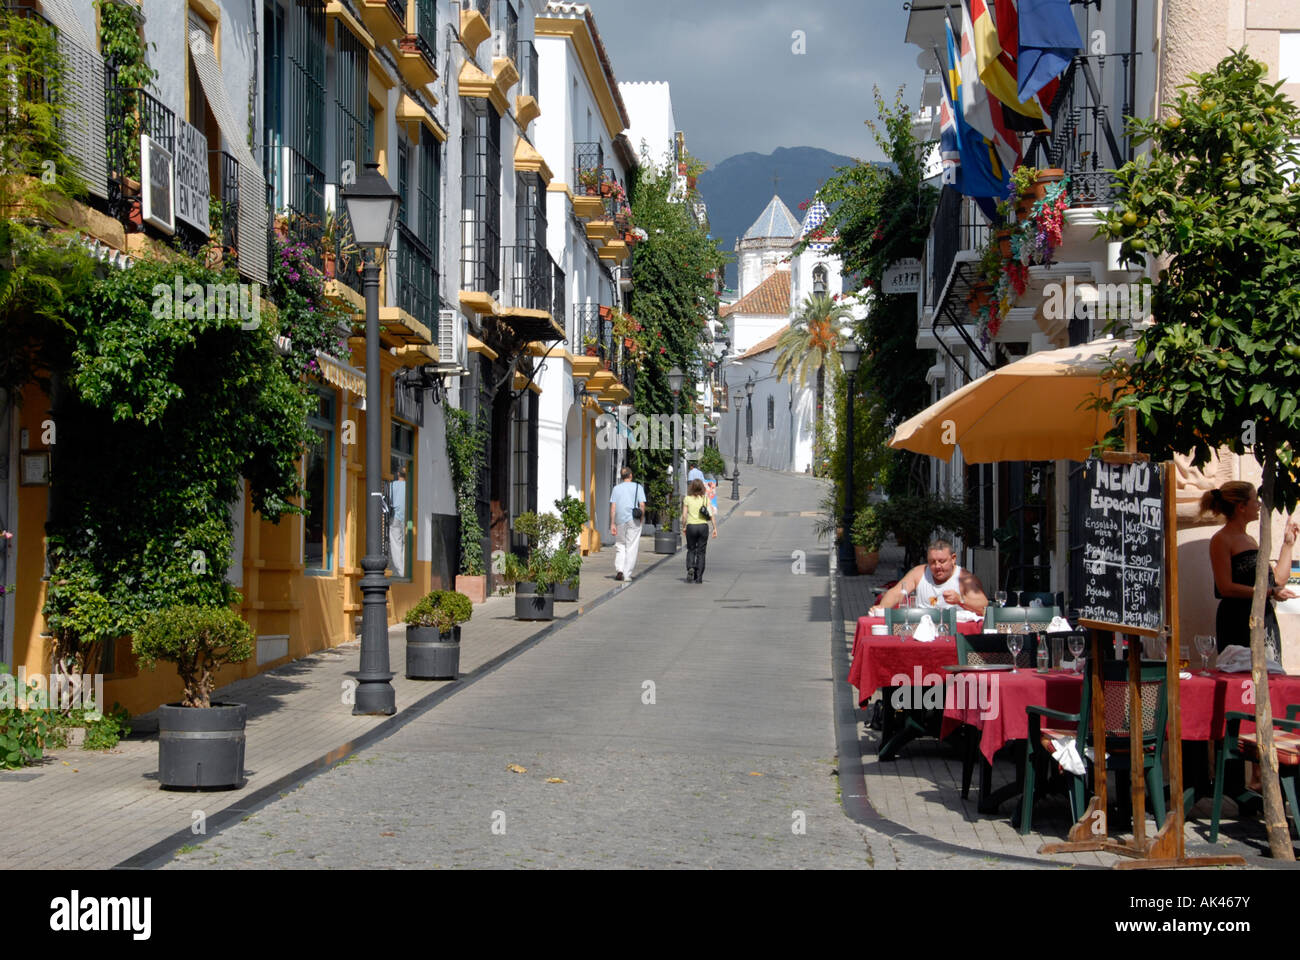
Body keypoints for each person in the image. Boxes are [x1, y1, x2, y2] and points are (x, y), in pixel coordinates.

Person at [1202, 481, 1298, 659]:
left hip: (1263, 616)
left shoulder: (1250, 539)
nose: (1259, 504)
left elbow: (1277, 580)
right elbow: (1225, 587)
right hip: (1238, 619)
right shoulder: (1221, 539)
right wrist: (1268, 592)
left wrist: (1288, 544)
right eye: (1255, 500)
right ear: (1241, 507)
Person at [870, 539, 988, 621]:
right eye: (932, 562)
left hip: (954, 634)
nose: (937, 566)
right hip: (922, 629)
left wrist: (960, 600)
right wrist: (882, 608)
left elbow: (984, 607)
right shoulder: (919, 573)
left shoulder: (964, 578)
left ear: (953, 559)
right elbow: (897, 593)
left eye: (942, 561)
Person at [608, 466, 647, 582]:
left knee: (620, 544)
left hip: (620, 519)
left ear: (622, 476)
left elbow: (613, 507)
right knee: (632, 546)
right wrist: (642, 518)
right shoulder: (638, 487)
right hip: (633, 519)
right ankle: (627, 574)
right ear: (631, 475)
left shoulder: (616, 488)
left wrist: (612, 523)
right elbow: (642, 505)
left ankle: (619, 569)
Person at [681, 477, 717, 584]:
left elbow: (684, 515)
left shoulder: (687, 499)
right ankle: (699, 576)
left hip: (691, 526)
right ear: (702, 487)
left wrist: (684, 526)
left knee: (691, 549)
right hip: (703, 527)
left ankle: (691, 567)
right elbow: (711, 515)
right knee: (701, 552)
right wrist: (715, 528)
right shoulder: (705, 499)